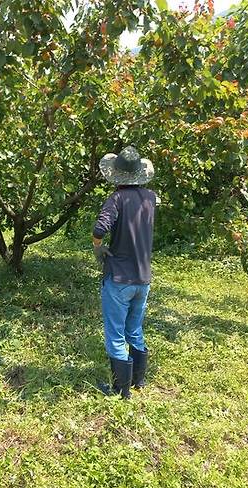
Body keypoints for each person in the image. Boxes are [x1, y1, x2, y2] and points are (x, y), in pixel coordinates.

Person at [92, 146, 156, 399]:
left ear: (116, 175)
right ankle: (138, 382)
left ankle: (121, 390)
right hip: (143, 278)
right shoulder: (150, 197)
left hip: (119, 278)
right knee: (135, 329)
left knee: (116, 333)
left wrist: (99, 247)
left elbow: (100, 228)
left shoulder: (116, 199)